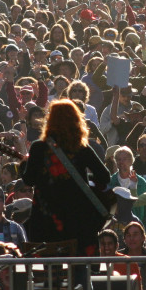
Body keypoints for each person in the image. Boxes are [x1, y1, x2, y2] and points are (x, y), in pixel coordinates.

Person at [21, 100, 110, 257]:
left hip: (46, 221)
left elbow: (29, 180)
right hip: (78, 221)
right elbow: (104, 177)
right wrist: (81, 180)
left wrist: (23, 165)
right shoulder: (82, 148)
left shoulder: (38, 148)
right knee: (80, 270)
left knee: (48, 272)